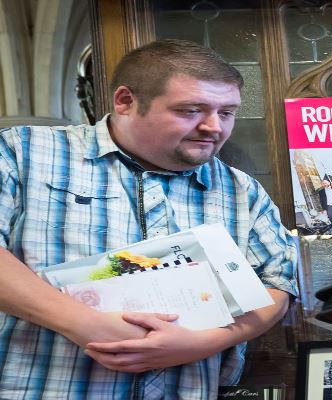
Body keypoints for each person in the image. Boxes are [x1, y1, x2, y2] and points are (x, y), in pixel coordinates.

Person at [0, 39, 298, 398]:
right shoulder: (23, 150)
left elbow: (277, 285)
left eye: (227, 112)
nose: (213, 127)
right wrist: (82, 323)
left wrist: (203, 343)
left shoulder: (240, 190)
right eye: (191, 110)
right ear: (126, 101)